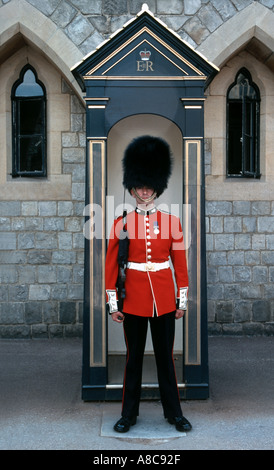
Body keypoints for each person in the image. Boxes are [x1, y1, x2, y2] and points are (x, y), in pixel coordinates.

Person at [105, 135, 192, 433]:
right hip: (133, 300)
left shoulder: (172, 222)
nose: (144, 189)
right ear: (132, 188)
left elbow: (179, 264)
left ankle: (174, 413)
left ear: (156, 186)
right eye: (140, 185)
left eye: (149, 184)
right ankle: (128, 414)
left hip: (165, 300)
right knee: (134, 360)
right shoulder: (122, 223)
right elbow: (111, 266)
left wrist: (181, 301)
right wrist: (113, 304)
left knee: (166, 360)